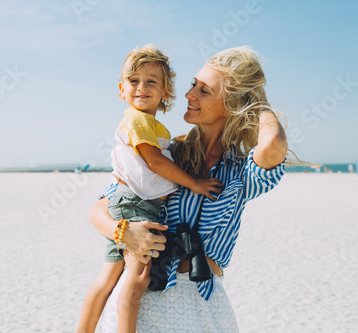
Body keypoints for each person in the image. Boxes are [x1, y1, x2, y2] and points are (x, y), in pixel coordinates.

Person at [88, 46, 288, 332]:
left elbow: (272, 145)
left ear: (231, 104)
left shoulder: (239, 174)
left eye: (204, 91)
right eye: (194, 84)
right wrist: (123, 232)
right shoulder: (166, 156)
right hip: (141, 304)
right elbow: (100, 208)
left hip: (202, 307)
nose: (189, 94)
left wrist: (256, 102)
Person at [77, 45, 222, 333]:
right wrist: (193, 183)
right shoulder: (138, 120)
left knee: (107, 279)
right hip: (135, 205)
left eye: (151, 81)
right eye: (133, 81)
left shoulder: (150, 125)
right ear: (122, 88)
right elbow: (154, 161)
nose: (141, 88)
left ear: (166, 90)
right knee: (138, 278)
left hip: (127, 202)